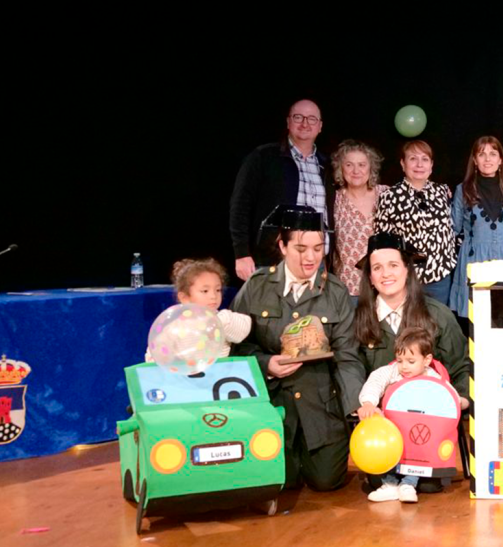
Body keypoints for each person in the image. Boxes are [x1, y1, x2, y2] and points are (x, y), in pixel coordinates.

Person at [230, 205, 364, 492]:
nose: (311, 257)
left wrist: (359, 406)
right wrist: (266, 364)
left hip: (320, 407)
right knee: (282, 483)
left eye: (318, 248)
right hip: (274, 407)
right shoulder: (257, 287)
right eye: (301, 248)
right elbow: (233, 350)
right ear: (282, 246)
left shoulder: (336, 291)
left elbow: (347, 357)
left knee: (326, 481)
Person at [354, 232, 469, 493]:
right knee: (377, 480)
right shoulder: (357, 319)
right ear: (370, 277)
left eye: (394, 265)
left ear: (407, 270)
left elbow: (462, 365)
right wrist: (365, 405)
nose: (386, 274)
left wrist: (461, 399)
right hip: (381, 427)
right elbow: (350, 367)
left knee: (428, 486)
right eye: (377, 268)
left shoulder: (437, 315)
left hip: (427, 425)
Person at [230, 99, 333, 280]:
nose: (305, 123)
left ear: (320, 126)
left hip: (316, 264)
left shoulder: (328, 166)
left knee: (311, 310)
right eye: (298, 117)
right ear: (288, 122)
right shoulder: (264, 157)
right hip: (272, 261)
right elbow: (240, 206)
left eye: (311, 119)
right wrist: (241, 253)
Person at [358, 328, 442, 503]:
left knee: (418, 448)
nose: (404, 366)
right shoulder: (392, 371)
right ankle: (390, 485)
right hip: (393, 428)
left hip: (420, 430)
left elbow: (446, 397)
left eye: (411, 361)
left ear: (426, 360)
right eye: (399, 360)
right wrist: (368, 402)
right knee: (390, 450)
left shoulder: (433, 379)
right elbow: (375, 381)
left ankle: (408, 484)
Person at [374, 141, 458, 305]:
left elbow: (451, 229)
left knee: (439, 325)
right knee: (410, 326)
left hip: (440, 276)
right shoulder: (390, 196)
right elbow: (382, 242)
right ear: (402, 163)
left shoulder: (442, 191)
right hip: (406, 278)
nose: (419, 164)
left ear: (431, 165)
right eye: (413, 158)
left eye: (425, 159)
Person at [448, 137, 503, 318]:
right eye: (482, 154)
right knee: (477, 320)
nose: (487, 159)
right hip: (475, 260)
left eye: (492, 154)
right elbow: (454, 227)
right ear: (474, 160)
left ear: (500, 160)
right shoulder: (463, 189)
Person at [161, 258, 250, 358]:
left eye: (217, 290)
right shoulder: (174, 327)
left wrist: (220, 322)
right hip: (186, 372)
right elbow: (157, 352)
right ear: (184, 298)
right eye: (205, 291)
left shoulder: (223, 318)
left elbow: (243, 329)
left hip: (221, 371)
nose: (213, 296)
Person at [330, 140, 385, 296]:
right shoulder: (333, 199)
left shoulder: (385, 194)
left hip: (384, 284)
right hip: (348, 287)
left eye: (362, 165)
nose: (356, 170)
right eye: (349, 165)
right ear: (341, 168)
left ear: (371, 168)